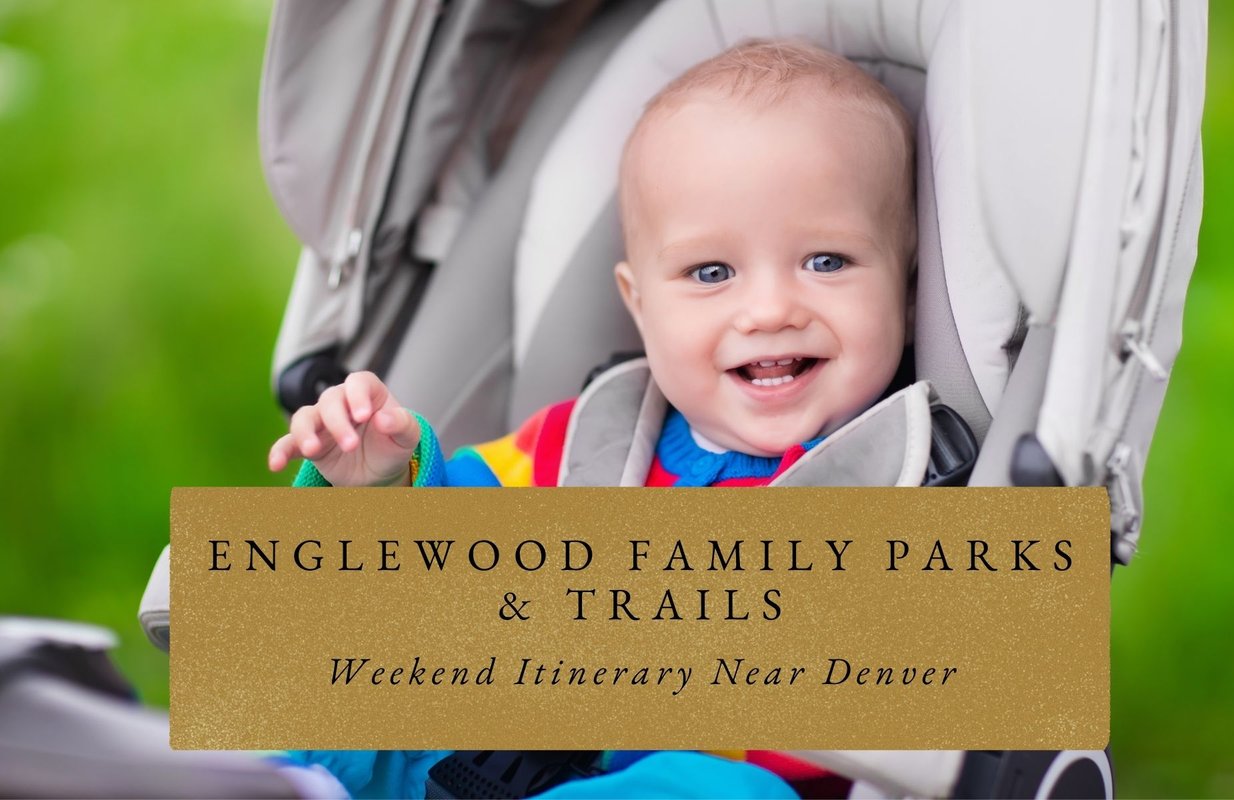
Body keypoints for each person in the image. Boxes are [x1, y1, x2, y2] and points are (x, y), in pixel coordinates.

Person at [268, 38, 916, 799]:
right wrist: (377, 483)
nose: (770, 309)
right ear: (638, 304)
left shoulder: (900, 476)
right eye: (712, 273)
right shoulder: (581, 442)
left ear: (903, 284)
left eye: (827, 261)